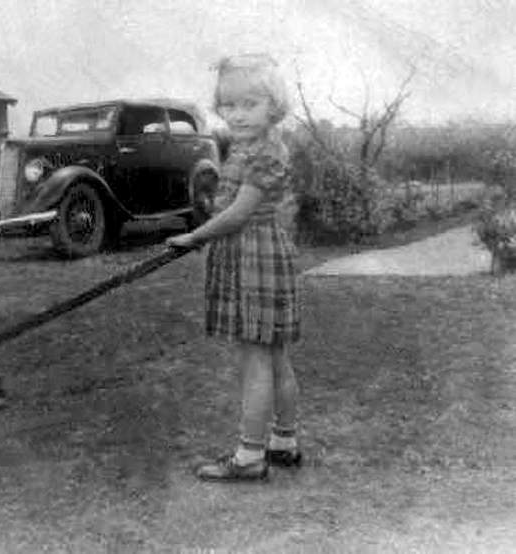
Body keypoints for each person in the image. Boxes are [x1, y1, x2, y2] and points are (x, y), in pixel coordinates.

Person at [166, 53, 302, 481]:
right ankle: (284, 440)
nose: (237, 115)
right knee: (275, 354)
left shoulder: (265, 151)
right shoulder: (253, 145)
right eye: (229, 106)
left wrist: (195, 235)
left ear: (273, 105)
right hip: (257, 252)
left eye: (250, 104)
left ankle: (249, 457)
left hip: (252, 255)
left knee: (255, 359)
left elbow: (239, 213)